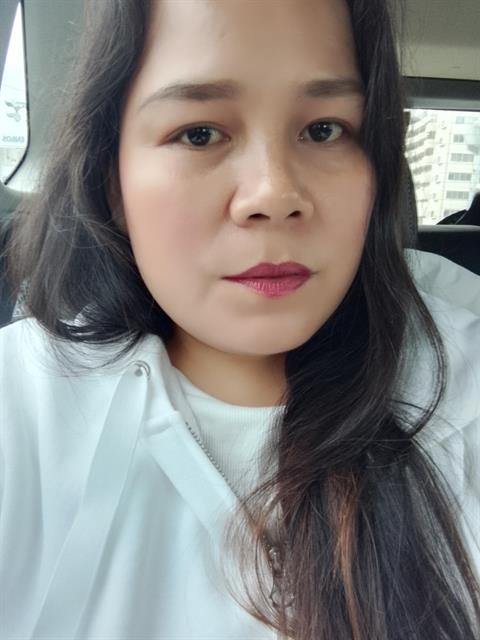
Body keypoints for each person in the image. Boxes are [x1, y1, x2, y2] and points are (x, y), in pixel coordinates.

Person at [0, 0, 479, 638]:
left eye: (324, 130)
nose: (274, 194)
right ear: (113, 180)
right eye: (199, 133)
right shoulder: (20, 409)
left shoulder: (460, 379)